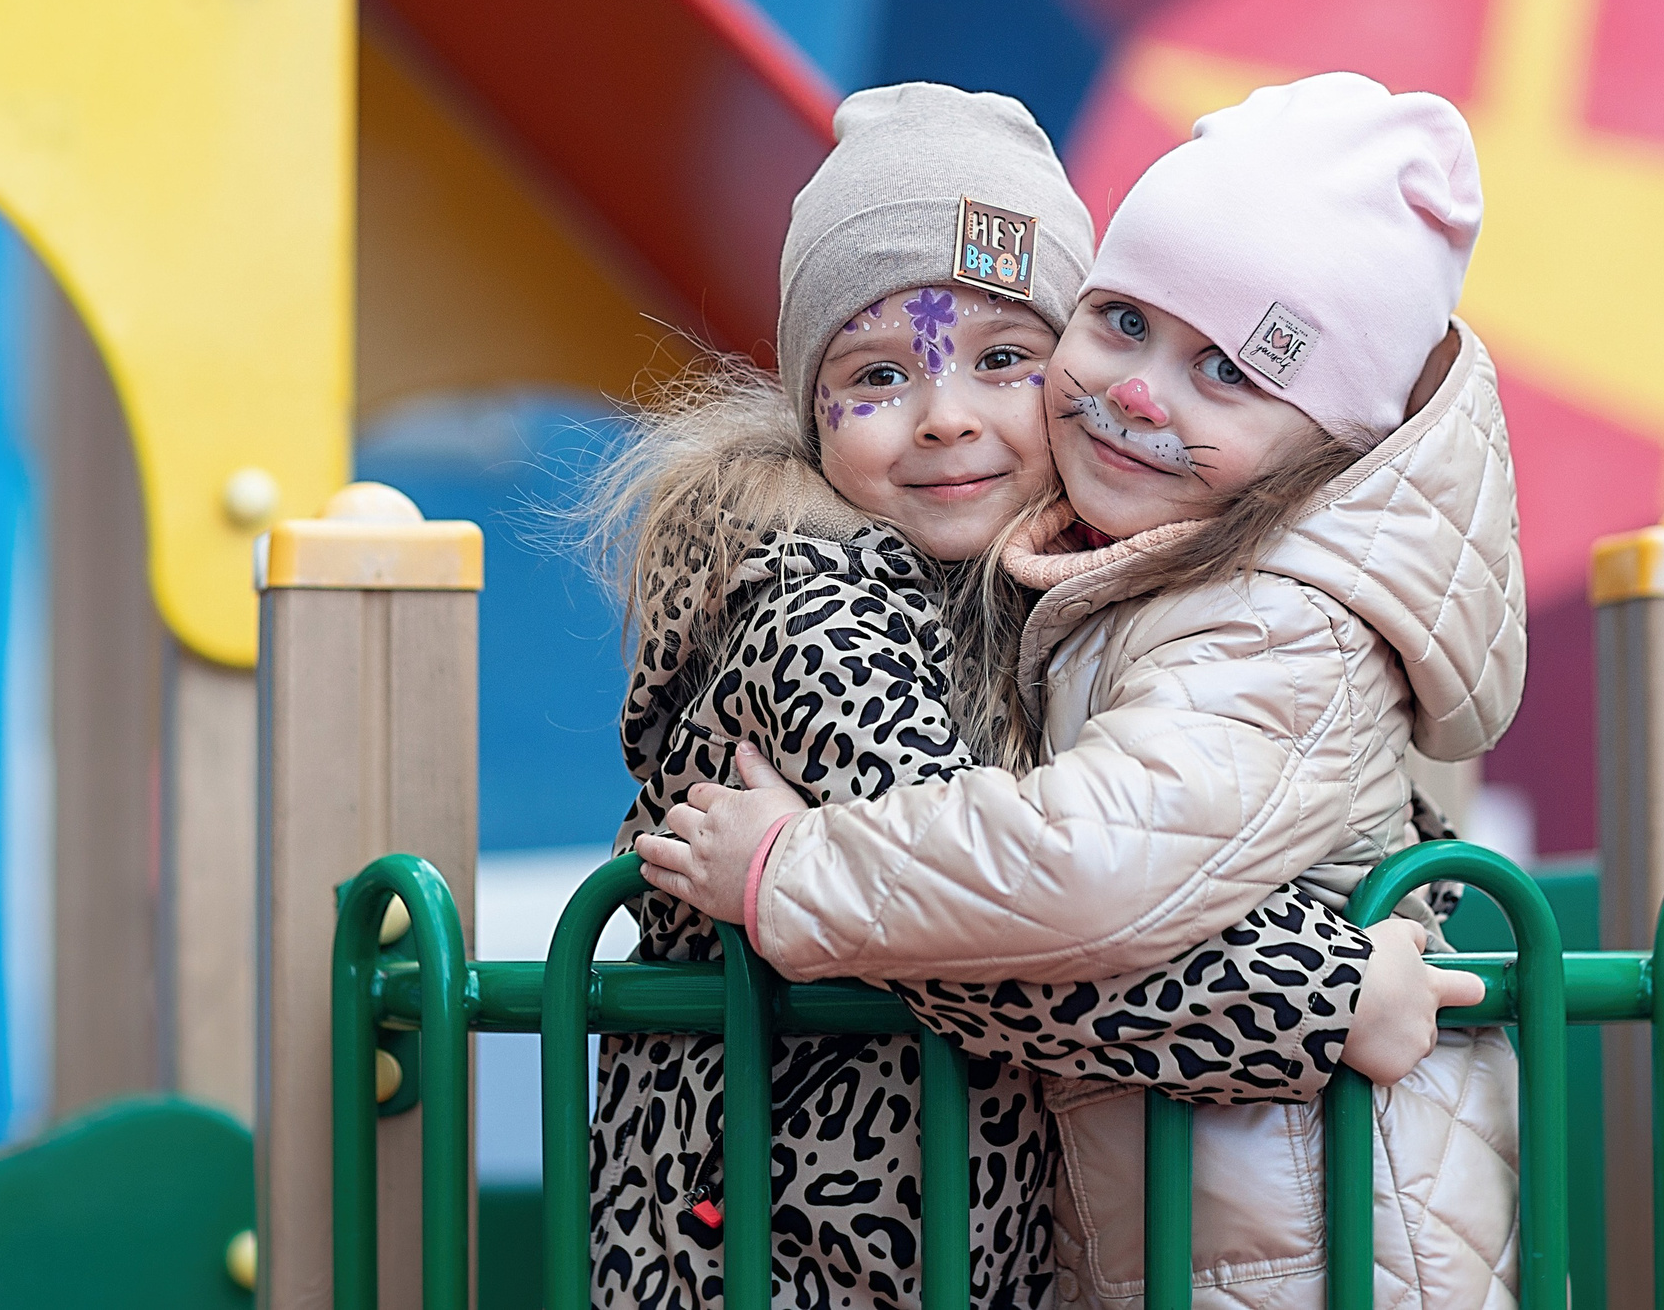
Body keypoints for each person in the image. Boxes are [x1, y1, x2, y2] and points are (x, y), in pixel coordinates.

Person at [646, 73, 1526, 1310]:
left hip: (1289, 1236)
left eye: (1006, 357)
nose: (949, 418)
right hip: (810, 1239)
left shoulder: (1245, 615)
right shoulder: (821, 603)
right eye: (879, 375)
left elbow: (1079, 878)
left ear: (1327, 440)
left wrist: (794, 871)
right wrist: (1322, 999)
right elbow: (1005, 937)